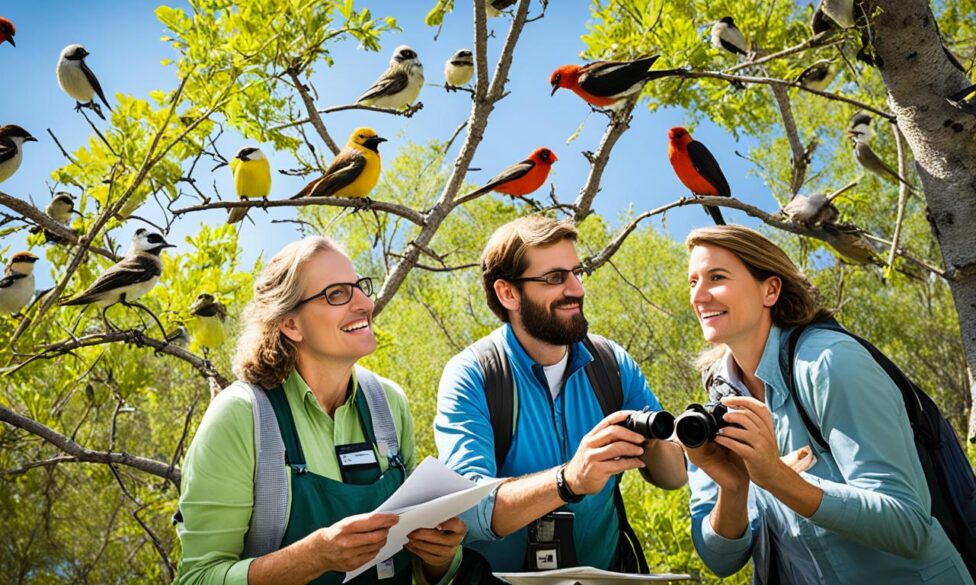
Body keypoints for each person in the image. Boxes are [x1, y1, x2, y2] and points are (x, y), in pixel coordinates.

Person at [683, 225, 973, 584]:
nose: (700, 296)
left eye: (717, 277)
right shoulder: (714, 406)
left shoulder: (830, 362)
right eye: (693, 281)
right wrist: (734, 486)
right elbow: (720, 562)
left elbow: (908, 525)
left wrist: (777, 478)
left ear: (770, 289)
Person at [176, 237, 466, 585]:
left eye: (360, 287)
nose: (364, 303)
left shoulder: (389, 403)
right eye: (337, 294)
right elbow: (198, 577)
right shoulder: (241, 417)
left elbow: (416, 569)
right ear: (291, 324)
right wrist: (312, 558)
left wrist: (440, 557)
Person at [435, 215, 687, 572]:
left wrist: (650, 440)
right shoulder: (473, 374)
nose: (577, 289)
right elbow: (469, 513)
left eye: (577, 272)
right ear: (507, 293)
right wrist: (568, 480)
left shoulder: (612, 364)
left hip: (606, 576)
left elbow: (674, 477)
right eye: (555, 278)